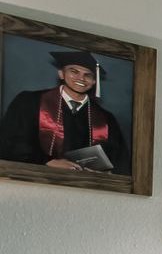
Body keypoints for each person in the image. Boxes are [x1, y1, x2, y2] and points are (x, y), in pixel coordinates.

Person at [0, 49, 129, 174]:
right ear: (61, 74)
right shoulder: (30, 102)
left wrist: (107, 172)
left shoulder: (106, 119)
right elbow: (12, 142)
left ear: (94, 81)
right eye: (74, 71)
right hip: (37, 179)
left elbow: (120, 159)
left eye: (88, 75)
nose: (81, 78)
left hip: (86, 186)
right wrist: (47, 161)